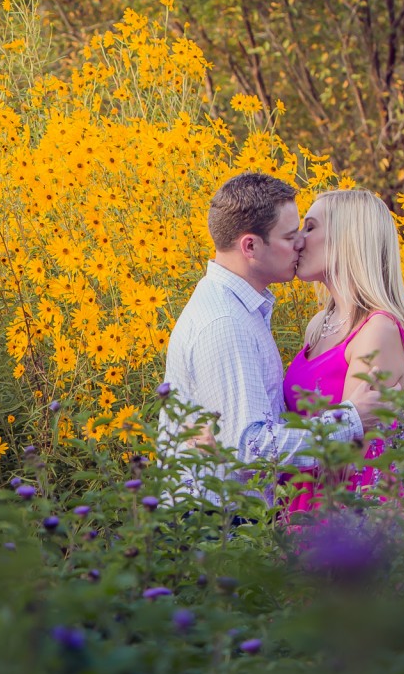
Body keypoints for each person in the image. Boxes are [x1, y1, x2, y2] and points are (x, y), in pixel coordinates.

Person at [158, 172, 380, 505]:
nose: (300, 243)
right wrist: (348, 422)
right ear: (250, 246)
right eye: (290, 236)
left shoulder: (240, 309)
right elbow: (248, 447)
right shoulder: (226, 323)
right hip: (213, 529)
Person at [282, 188, 404, 514]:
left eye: (310, 227)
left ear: (348, 239)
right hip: (299, 505)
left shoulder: (378, 330)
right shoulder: (319, 325)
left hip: (345, 513)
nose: (298, 240)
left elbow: (349, 454)